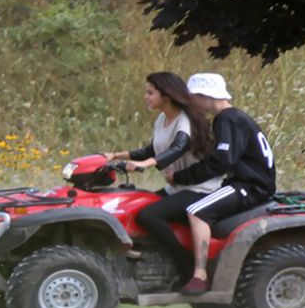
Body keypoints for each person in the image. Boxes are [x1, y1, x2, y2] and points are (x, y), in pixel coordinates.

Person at [165, 73, 277, 295]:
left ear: (207, 96)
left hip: (249, 186)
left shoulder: (227, 118)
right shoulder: (236, 118)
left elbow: (222, 161)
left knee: (196, 211)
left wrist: (181, 177)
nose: (192, 104)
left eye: (194, 97)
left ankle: (199, 275)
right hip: (246, 182)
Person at [105, 72, 222, 278]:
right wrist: (113, 156)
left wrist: (144, 165)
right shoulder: (162, 119)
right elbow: (152, 149)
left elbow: (178, 147)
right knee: (133, 207)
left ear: (166, 95)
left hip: (200, 189)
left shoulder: (184, 120)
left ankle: (185, 264)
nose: (146, 97)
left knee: (148, 214)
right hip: (177, 188)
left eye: (150, 93)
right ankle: (147, 256)